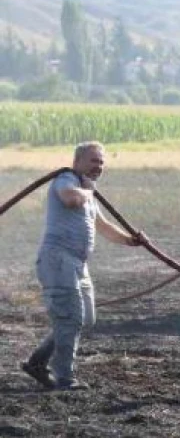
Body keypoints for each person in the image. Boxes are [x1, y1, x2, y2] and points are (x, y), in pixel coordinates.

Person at [20, 141, 146, 391]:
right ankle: (65, 378)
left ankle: (37, 362)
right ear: (77, 162)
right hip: (58, 259)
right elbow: (70, 199)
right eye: (93, 161)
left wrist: (132, 241)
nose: (98, 166)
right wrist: (88, 190)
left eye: (101, 162)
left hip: (78, 263)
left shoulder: (88, 191)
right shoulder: (66, 179)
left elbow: (102, 225)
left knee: (85, 318)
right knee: (70, 318)